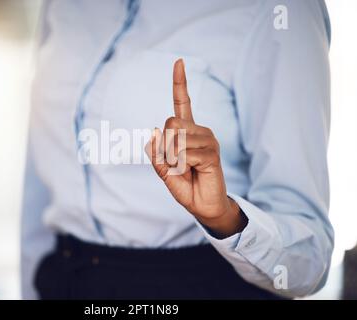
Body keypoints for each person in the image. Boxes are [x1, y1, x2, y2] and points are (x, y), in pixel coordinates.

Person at [21, 0, 334, 299]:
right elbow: (40, 191)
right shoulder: (64, 6)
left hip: (199, 286)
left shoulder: (278, 9)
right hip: (63, 280)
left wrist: (225, 218)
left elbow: (309, 259)